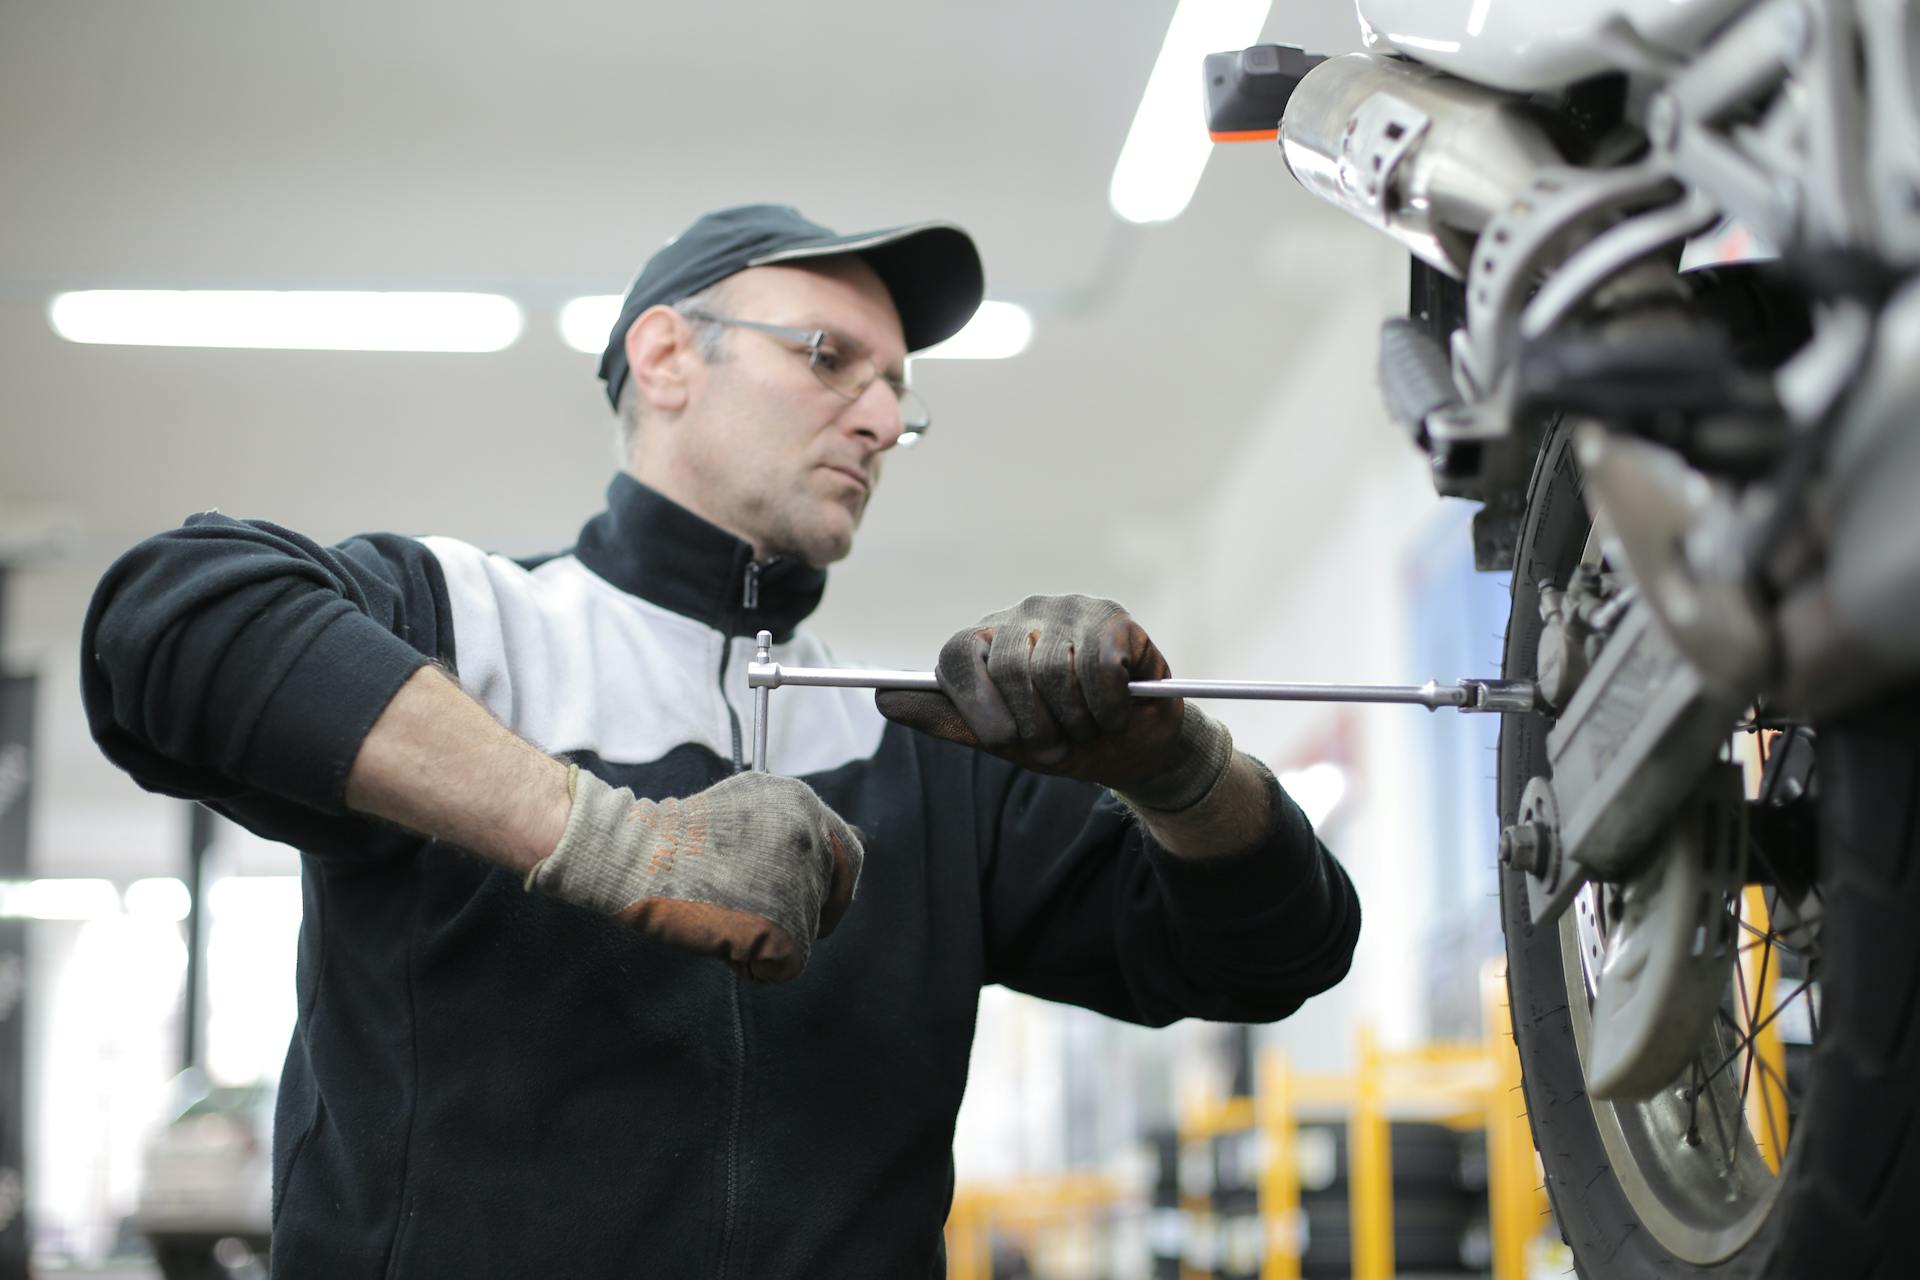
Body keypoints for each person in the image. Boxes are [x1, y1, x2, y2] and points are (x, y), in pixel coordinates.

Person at [82, 204, 1360, 1277]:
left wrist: (1175, 768)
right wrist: (617, 842)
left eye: (898, 394)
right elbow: (170, 623)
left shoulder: (915, 743)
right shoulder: (468, 627)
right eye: (828, 356)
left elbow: (1277, 951)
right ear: (666, 355)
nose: (875, 417)